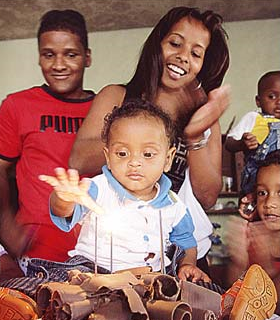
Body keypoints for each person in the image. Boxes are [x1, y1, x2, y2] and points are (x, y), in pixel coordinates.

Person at [68, 6, 231, 274]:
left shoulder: (205, 117)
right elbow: (79, 160)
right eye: (175, 43)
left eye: (196, 53)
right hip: (116, 260)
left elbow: (208, 196)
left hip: (184, 258)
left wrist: (194, 134)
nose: (183, 57)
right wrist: (140, 132)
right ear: (158, 44)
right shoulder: (116, 97)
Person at [0, 9, 95, 280]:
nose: (59, 65)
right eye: (49, 54)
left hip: (95, 243)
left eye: (71, 54)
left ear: (87, 57)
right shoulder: (17, 106)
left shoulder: (103, 108)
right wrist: (6, 224)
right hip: (37, 243)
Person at [226, 150, 280, 315]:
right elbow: (231, 300)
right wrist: (238, 262)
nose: (269, 203)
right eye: (262, 193)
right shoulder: (251, 239)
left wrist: (268, 269)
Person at [225, 71, 280, 196]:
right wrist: (242, 143)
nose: (279, 102)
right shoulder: (253, 118)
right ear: (258, 101)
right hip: (256, 183)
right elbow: (229, 143)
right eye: (272, 96)